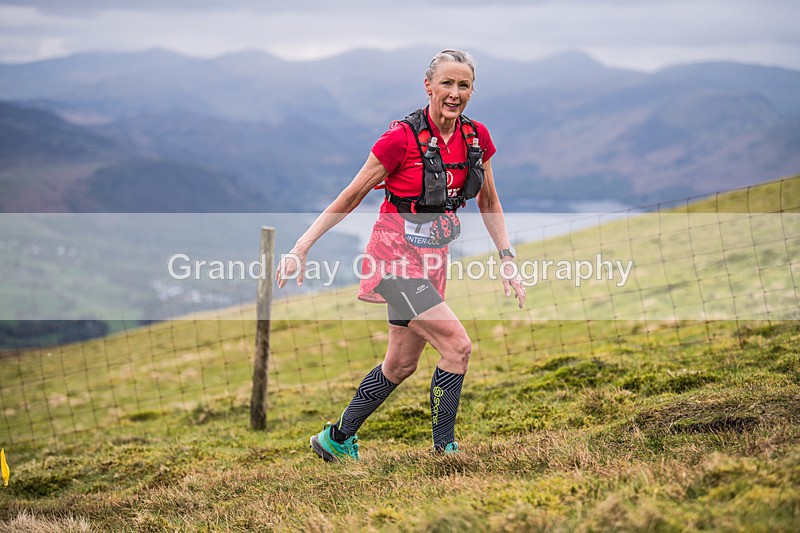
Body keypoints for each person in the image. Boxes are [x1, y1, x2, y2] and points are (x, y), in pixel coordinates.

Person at [275, 49, 526, 461]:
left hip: (433, 258)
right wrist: (301, 247)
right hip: (393, 258)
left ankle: (336, 438)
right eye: (447, 83)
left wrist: (507, 257)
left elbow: (490, 201)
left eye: (464, 85)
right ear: (428, 85)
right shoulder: (400, 139)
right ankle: (446, 451)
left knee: (400, 365)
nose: (455, 93)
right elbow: (352, 194)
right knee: (457, 347)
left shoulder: (476, 138)